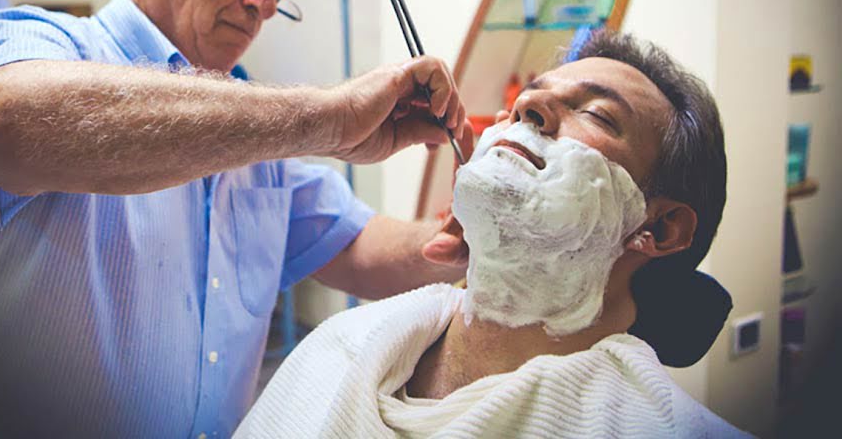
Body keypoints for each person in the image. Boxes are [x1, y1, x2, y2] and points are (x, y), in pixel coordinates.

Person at [0, 0, 470, 437]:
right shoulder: (40, 41)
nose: (261, 4)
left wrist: (484, 238)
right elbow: (4, 124)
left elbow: (364, 251)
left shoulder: (256, 134)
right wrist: (326, 118)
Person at [238, 30, 752, 438]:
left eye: (596, 113)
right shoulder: (339, 349)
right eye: (526, 100)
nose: (528, 107)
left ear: (660, 228)